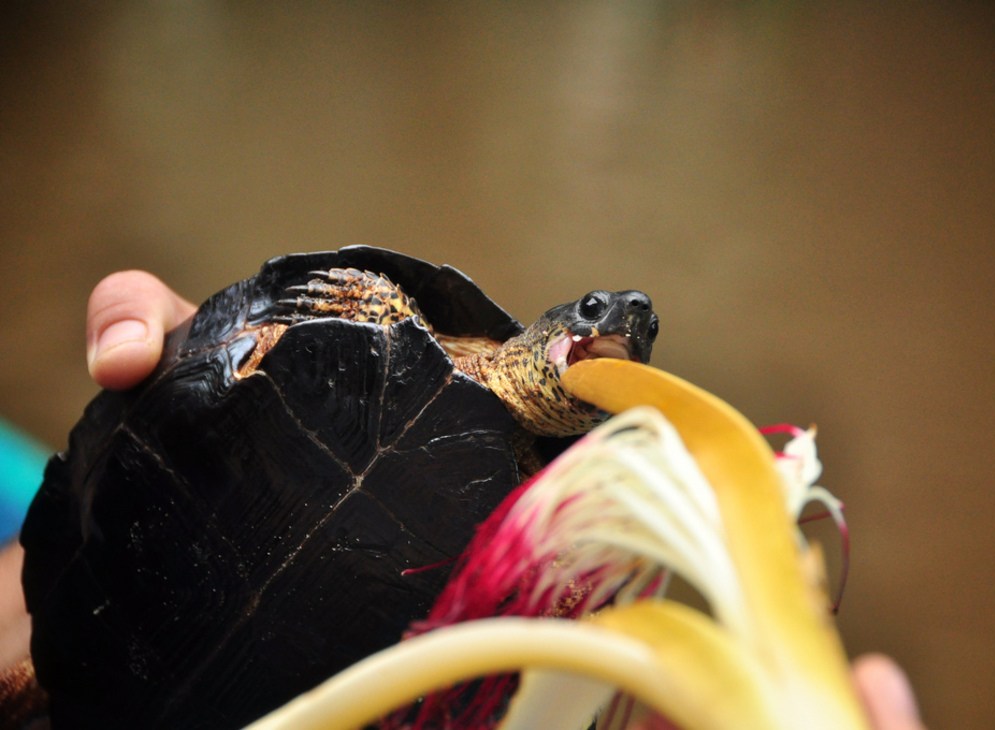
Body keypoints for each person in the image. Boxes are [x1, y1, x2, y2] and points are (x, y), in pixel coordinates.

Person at [2, 271, 927, 729]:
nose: (622, 326)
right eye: (601, 310)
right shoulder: (392, 306)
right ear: (558, 330)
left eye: (631, 333)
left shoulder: (554, 522)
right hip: (73, 642)